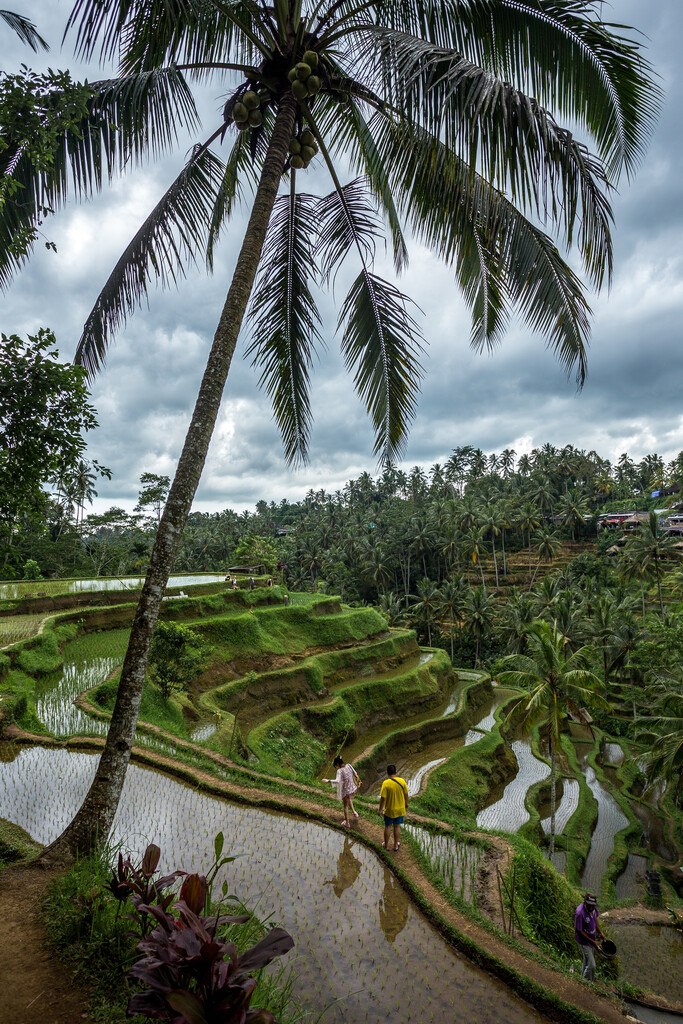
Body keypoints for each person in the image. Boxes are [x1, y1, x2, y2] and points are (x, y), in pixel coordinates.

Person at [574, 892, 606, 981]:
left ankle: (587, 979)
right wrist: (593, 942)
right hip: (583, 941)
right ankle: (584, 982)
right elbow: (579, 931)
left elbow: (595, 919)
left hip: (592, 939)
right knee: (592, 965)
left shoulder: (593, 908)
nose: (591, 908)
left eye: (593, 906)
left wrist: (601, 933)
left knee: (587, 960)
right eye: (589, 906)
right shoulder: (580, 913)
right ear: (584, 903)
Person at [323, 755, 361, 826]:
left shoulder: (339, 771)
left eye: (336, 765)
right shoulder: (349, 765)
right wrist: (358, 781)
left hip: (346, 792)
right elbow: (355, 774)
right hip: (353, 789)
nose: (336, 766)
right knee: (349, 799)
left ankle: (347, 823)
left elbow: (337, 781)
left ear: (337, 764)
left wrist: (327, 780)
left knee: (345, 806)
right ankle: (354, 812)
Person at [379, 764, 408, 852]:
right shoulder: (402, 781)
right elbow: (406, 794)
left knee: (387, 827)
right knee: (397, 826)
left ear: (387, 773)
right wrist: (406, 804)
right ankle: (395, 845)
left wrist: (380, 809)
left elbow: (383, 798)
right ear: (396, 772)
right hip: (400, 810)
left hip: (390, 810)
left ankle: (386, 846)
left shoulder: (386, 783)